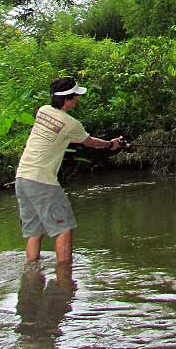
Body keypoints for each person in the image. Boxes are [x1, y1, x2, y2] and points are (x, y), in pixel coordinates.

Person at [15, 76, 122, 265]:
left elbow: (60, 136)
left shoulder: (43, 111)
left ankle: (32, 274)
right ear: (68, 99)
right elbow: (89, 141)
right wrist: (110, 144)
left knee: (34, 232)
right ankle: (65, 280)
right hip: (42, 181)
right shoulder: (71, 123)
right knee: (64, 228)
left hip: (22, 178)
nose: (78, 99)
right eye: (76, 96)